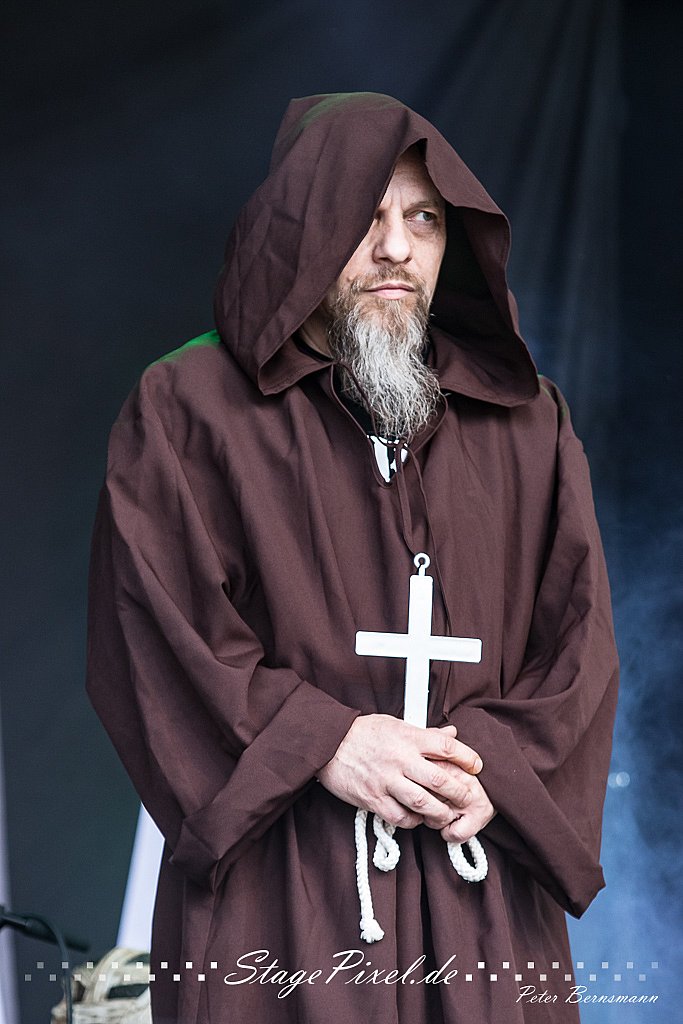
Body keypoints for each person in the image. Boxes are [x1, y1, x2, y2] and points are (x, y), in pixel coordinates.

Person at [87, 92, 619, 1024]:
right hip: (281, 892)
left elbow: (579, 644)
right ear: (301, 228)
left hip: (478, 888)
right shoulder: (189, 408)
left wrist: (492, 766)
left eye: (423, 218)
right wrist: (326, 741)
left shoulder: (527, 422)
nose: (396, 249)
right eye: (363, 217)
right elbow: (157, 632)